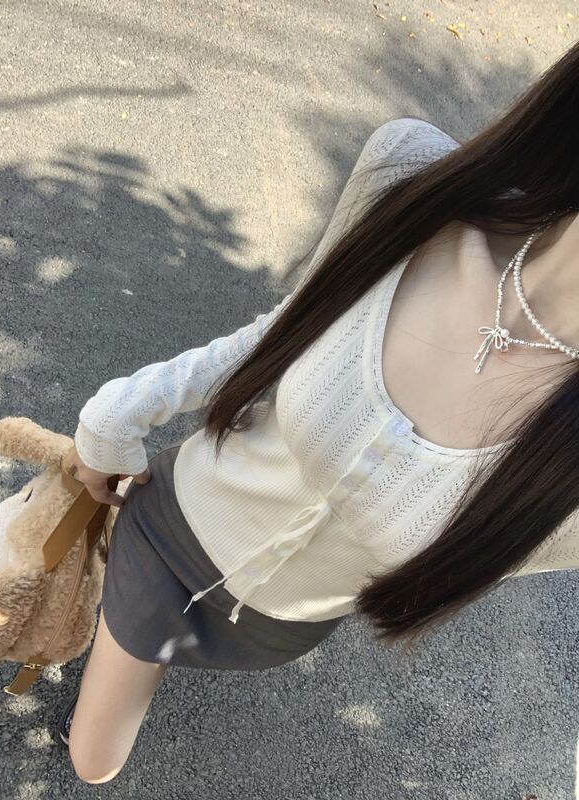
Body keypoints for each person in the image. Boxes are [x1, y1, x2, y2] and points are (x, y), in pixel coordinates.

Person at [61, 42, 579, 784]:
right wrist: (119, 414)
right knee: (94, 761)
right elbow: (283, 332)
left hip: (282, 626)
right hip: (176, 519)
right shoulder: (412, 182)